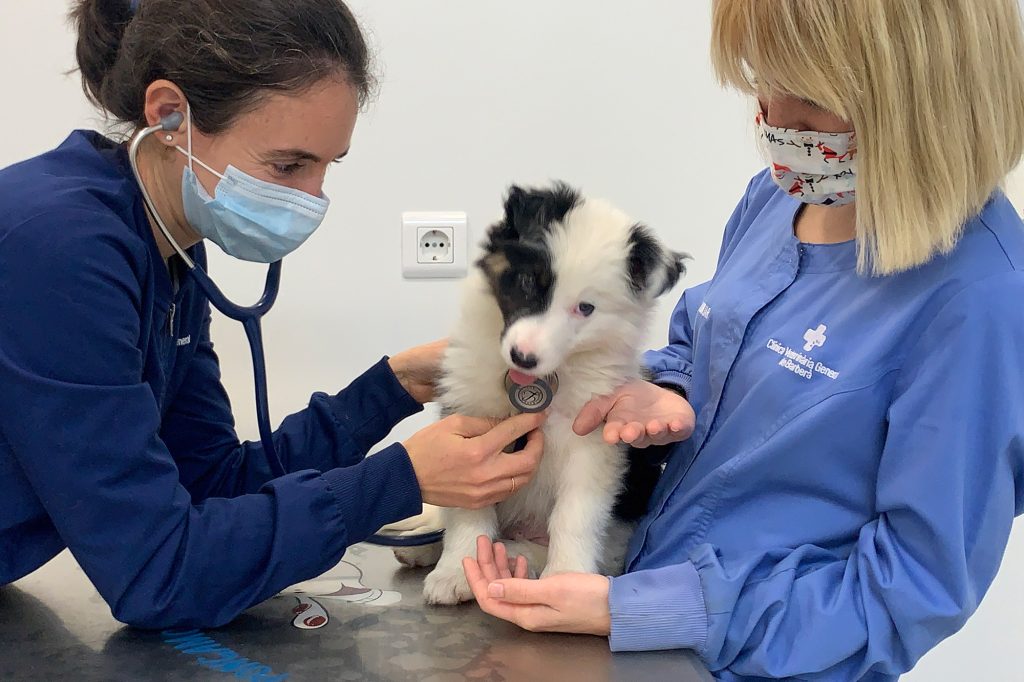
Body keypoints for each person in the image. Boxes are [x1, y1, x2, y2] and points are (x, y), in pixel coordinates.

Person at [463, 1, 1024, 679]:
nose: (774, 120)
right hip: (636, 617)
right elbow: (706, 350)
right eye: (763, 78)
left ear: (919, 93)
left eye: (810, 99)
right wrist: (661, 390)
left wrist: (644, 609)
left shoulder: (978, 301)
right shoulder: (779, 198)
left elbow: (908, 591)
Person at [0, 0, 546, 629]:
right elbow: (160, 571)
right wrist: (400, 479)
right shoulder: (59, 247)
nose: (311, 199)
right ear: (170, 115)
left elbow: (212, 484)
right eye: (288, 165)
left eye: (325, 167)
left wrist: (391, 387)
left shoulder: (171, 250)